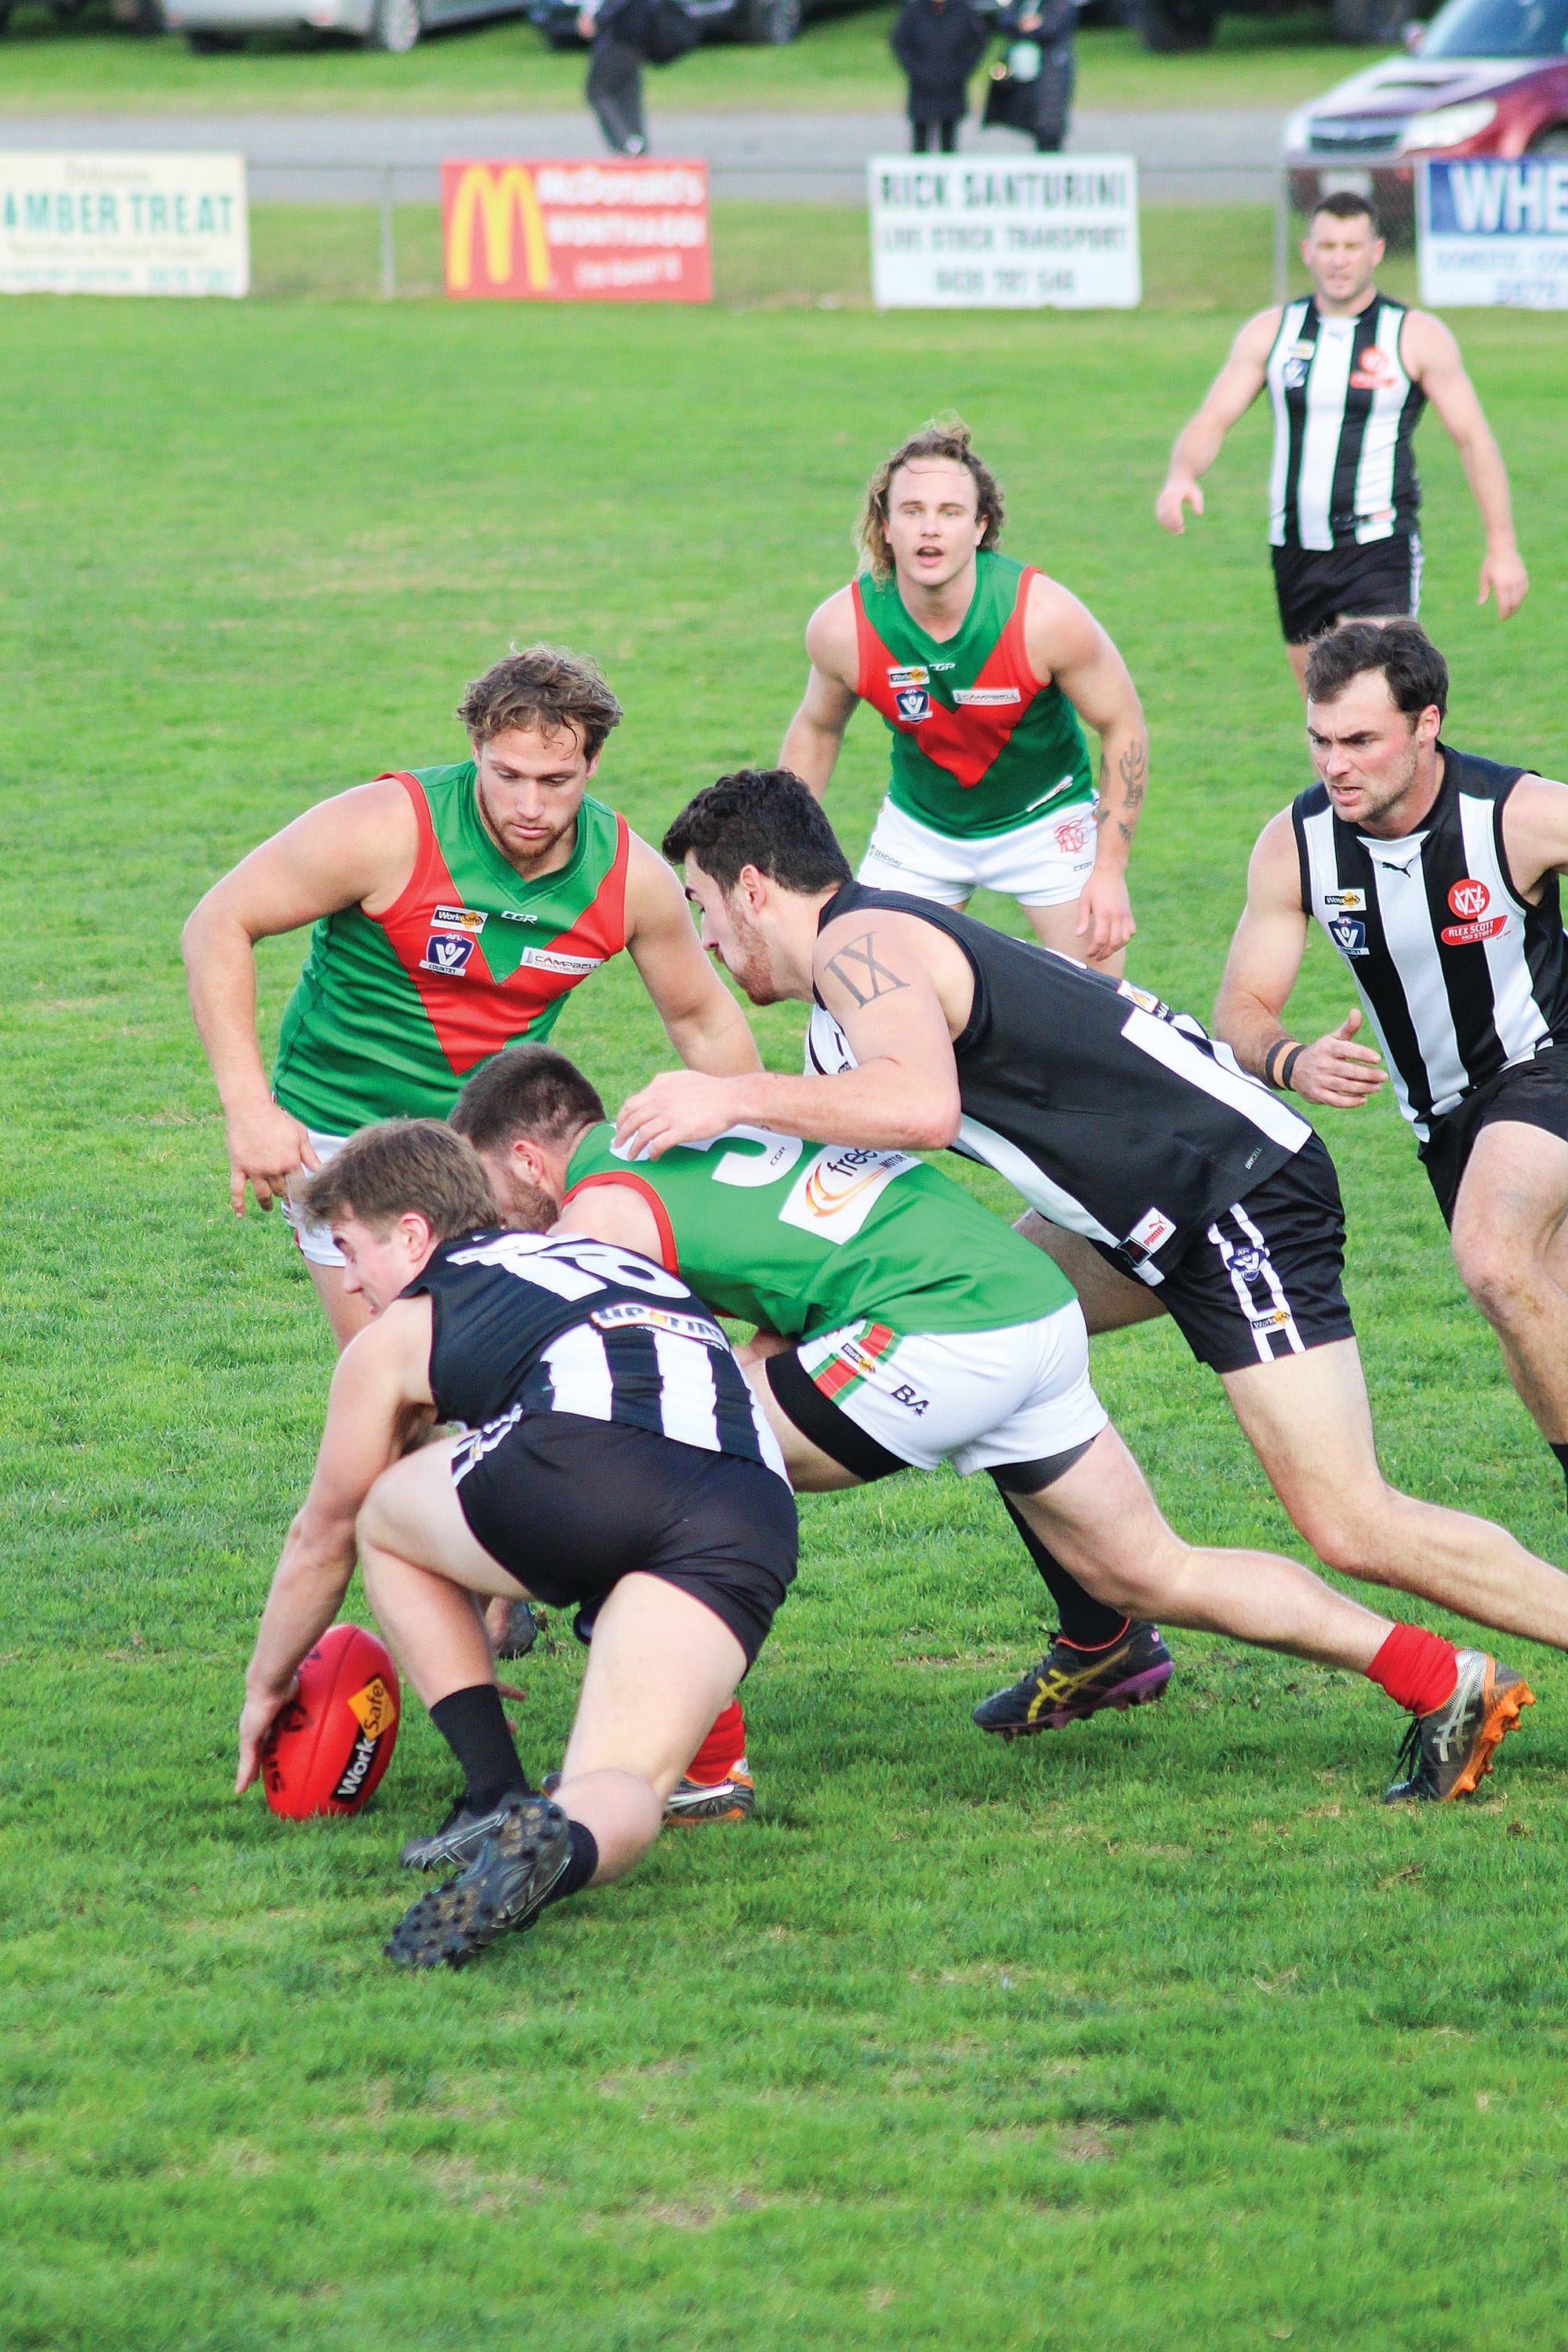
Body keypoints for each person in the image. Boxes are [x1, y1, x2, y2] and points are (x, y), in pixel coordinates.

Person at [612, 769, 1568, 1709]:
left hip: (1228, 1197)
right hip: (1147, 1209)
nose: (701, 936)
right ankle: (1101, 1635)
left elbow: (916, 1105)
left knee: (1353, 1522)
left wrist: (728, 1096)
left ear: (751, 889)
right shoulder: (865, 954)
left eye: (700, 904)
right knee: (988, 1307)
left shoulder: (860, 946)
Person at [452, 1044, 1537, 1806]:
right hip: (1023, 1302)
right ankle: (1442, 1678)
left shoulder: (594, 1208)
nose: (505, 1228)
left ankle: (700, 1769)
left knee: (653, 1466)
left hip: (943, 1333)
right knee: (1152, 1570)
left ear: (525, 1162)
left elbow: (631, 1385)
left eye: (495, 1201)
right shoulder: (694, 1120)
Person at [234, 1119, 797, 1970]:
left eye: (350, 1248)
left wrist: (266, 1684)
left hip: (586, 1464)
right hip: (745, 1509)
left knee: (382, 1509)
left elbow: (324, 1535)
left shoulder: (407, 1325)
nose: (348, 1281)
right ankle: (554, 1849)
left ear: (415, 1233)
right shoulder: (597, 1256)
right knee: (622, 1782)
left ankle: (494, 1796)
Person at [182, 644, 759, 1350]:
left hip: (492, 1148)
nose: (529, 805)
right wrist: (248, 1109)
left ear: (594, 765)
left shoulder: (627, 877)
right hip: (345, 1131)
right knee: (404, 1380)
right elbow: (218, 923)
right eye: (507, 775)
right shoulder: (386, 827)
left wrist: (764, 1162)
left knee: (537, 1363)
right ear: (476, 748)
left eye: (556, 781)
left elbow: (703, 1020)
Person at [1214, 619, 1568, 1501]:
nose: (1334, 764)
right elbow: (1239, 1009)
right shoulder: (1295, 843)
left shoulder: (1514, 815)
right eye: (1320, 741)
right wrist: (1290, 1060)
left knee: (1489, 1259)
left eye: (1360, 741)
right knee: (1532, 1307)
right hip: (1444, 1124)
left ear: (1424, 725)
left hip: (1546, 1066)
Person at [779, 418, 1148, 972]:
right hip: (922, 826)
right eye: (912, 511)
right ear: (884, 527)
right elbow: (817, 728)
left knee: (1100, 1005)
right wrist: (783, 848)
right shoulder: (842, 628)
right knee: (860, 984)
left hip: (1047, 817)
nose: (930, 529)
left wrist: (1109, 870)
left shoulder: (1044, 618)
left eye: (949, 513)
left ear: (979, 527)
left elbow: (1123, 724)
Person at [1154, 191, 1528, 696]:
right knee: (1323, 710)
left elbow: (1473, 439)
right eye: (1327, 245)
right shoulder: (1273, 332)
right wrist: (1182, 475)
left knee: (1375, 698)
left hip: (1378, 541)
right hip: (1295, 546)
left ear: (1375, 251)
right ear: (1307, 252)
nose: (1338, 259)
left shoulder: (1415, 335)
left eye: (1352, 246)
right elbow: (1213, 419)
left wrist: (1501, 545)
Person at [891, 0, 986, 156]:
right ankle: (919, 176)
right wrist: (915, 70)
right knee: (920, 141)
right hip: (922, 85)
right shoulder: (914, 9)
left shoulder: (962, 9)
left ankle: (949, 176)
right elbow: (899, 42)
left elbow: (978, 41)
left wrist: (963, 69)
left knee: (949, 141)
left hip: (951, 84)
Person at [992, 0, 1075, 153]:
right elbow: (1004, 20)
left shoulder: (1059, 4)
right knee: (1032, 121)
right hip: (1024, 78)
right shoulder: (1021, 3)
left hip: (1051, 76)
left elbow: (1052, 27)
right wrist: (1024, 24)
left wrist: (1026, 26)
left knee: (1049, 129)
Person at [581, 0, 648, 157]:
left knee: (598, 91)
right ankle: (637, 145)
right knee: (627, 96)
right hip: (633, 42)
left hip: (615, 41)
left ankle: (627, 144)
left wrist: (594, 18)